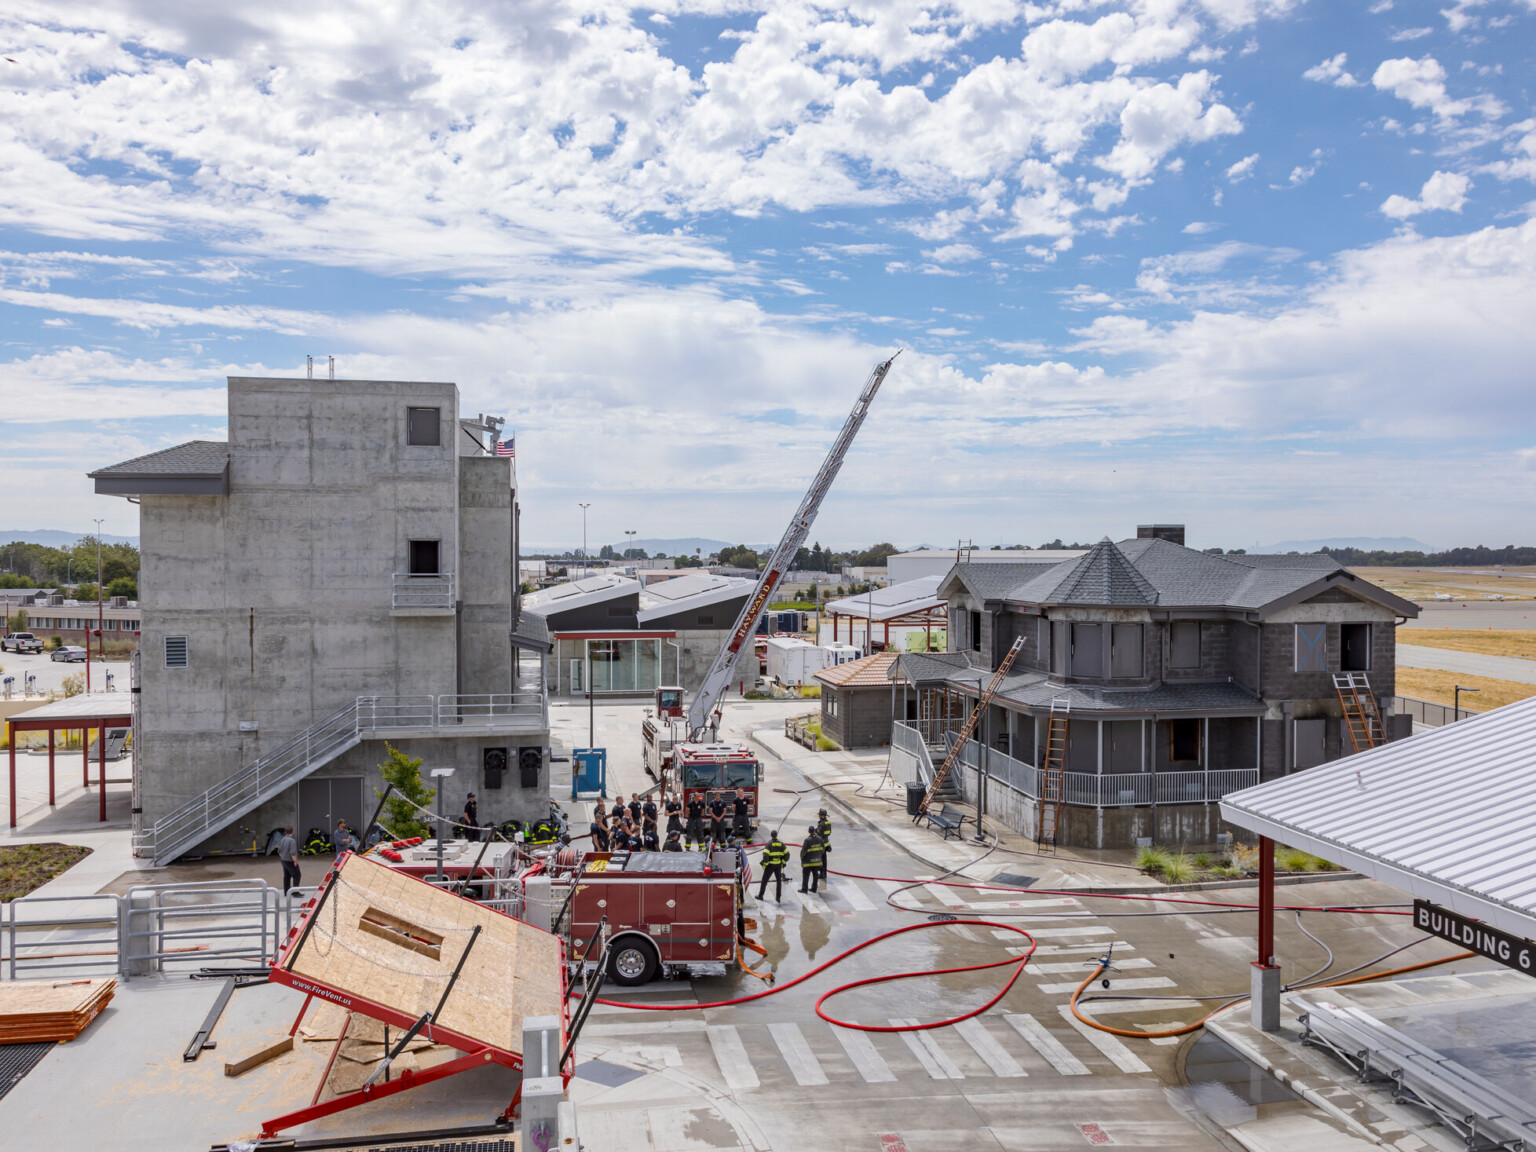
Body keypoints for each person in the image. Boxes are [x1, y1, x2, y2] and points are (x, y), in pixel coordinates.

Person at [757, 831, 789, 902]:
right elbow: (787, 855)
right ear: (776, 835)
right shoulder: (781, 844)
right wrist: (782, 862)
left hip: (770, 866)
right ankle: (778, 897)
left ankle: (760, 895)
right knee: (779, 881)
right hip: (778, 866)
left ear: (771, 835)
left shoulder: (769, 844)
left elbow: (765, 855)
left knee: (764, 881)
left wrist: (766, 863)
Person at [799, 825, 825, 893]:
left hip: (808, 862)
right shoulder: (820, 839)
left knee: (806, 875)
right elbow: (822, 850)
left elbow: (803, 851)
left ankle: (804, 889)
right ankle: (814, 889)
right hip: (817, 862)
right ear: (814, 831)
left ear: (808, 832)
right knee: (815, 875)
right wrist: (819, 856)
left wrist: (801, 857)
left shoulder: (807, 840)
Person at [277, 826, 301, 892]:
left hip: (283, 860)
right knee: (297, 875)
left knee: (287, 876)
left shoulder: (282, 840)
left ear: (285, 832)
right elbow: (292, 852)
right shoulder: (292, 841)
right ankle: (295, 892)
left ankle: (286, 891)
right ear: (292, 832)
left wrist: (283, 857)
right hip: (290, 861)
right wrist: (295, 861)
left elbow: (279, 851)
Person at [815, 808, 832, 885]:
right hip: (826, 843)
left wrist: (815, 833)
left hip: (821, 844)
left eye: (820, 815)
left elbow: (819, 834)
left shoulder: (821, 824)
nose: (819, 817)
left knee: (820, 860)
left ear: (823, 816)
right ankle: (824, 874)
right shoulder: (828, 823)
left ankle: (822, 874)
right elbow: (828, 833)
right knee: (824, 861)